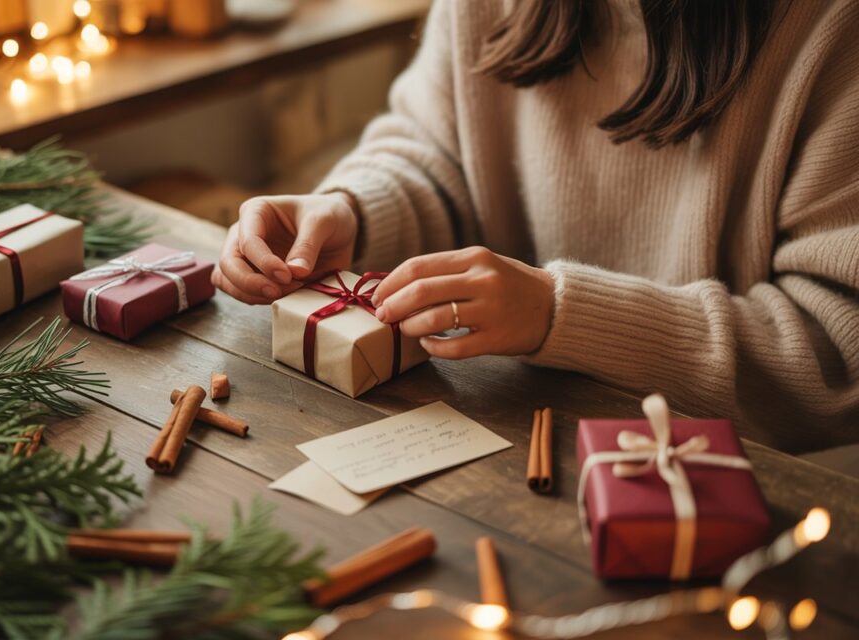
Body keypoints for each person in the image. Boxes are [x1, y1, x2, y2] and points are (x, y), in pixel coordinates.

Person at [211, 0, 859, 452]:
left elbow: (835, 357)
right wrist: (356, 210)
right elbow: (437, 152)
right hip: (497, 432)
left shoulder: (833, 29)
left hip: (712, 481)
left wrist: (562, 317)